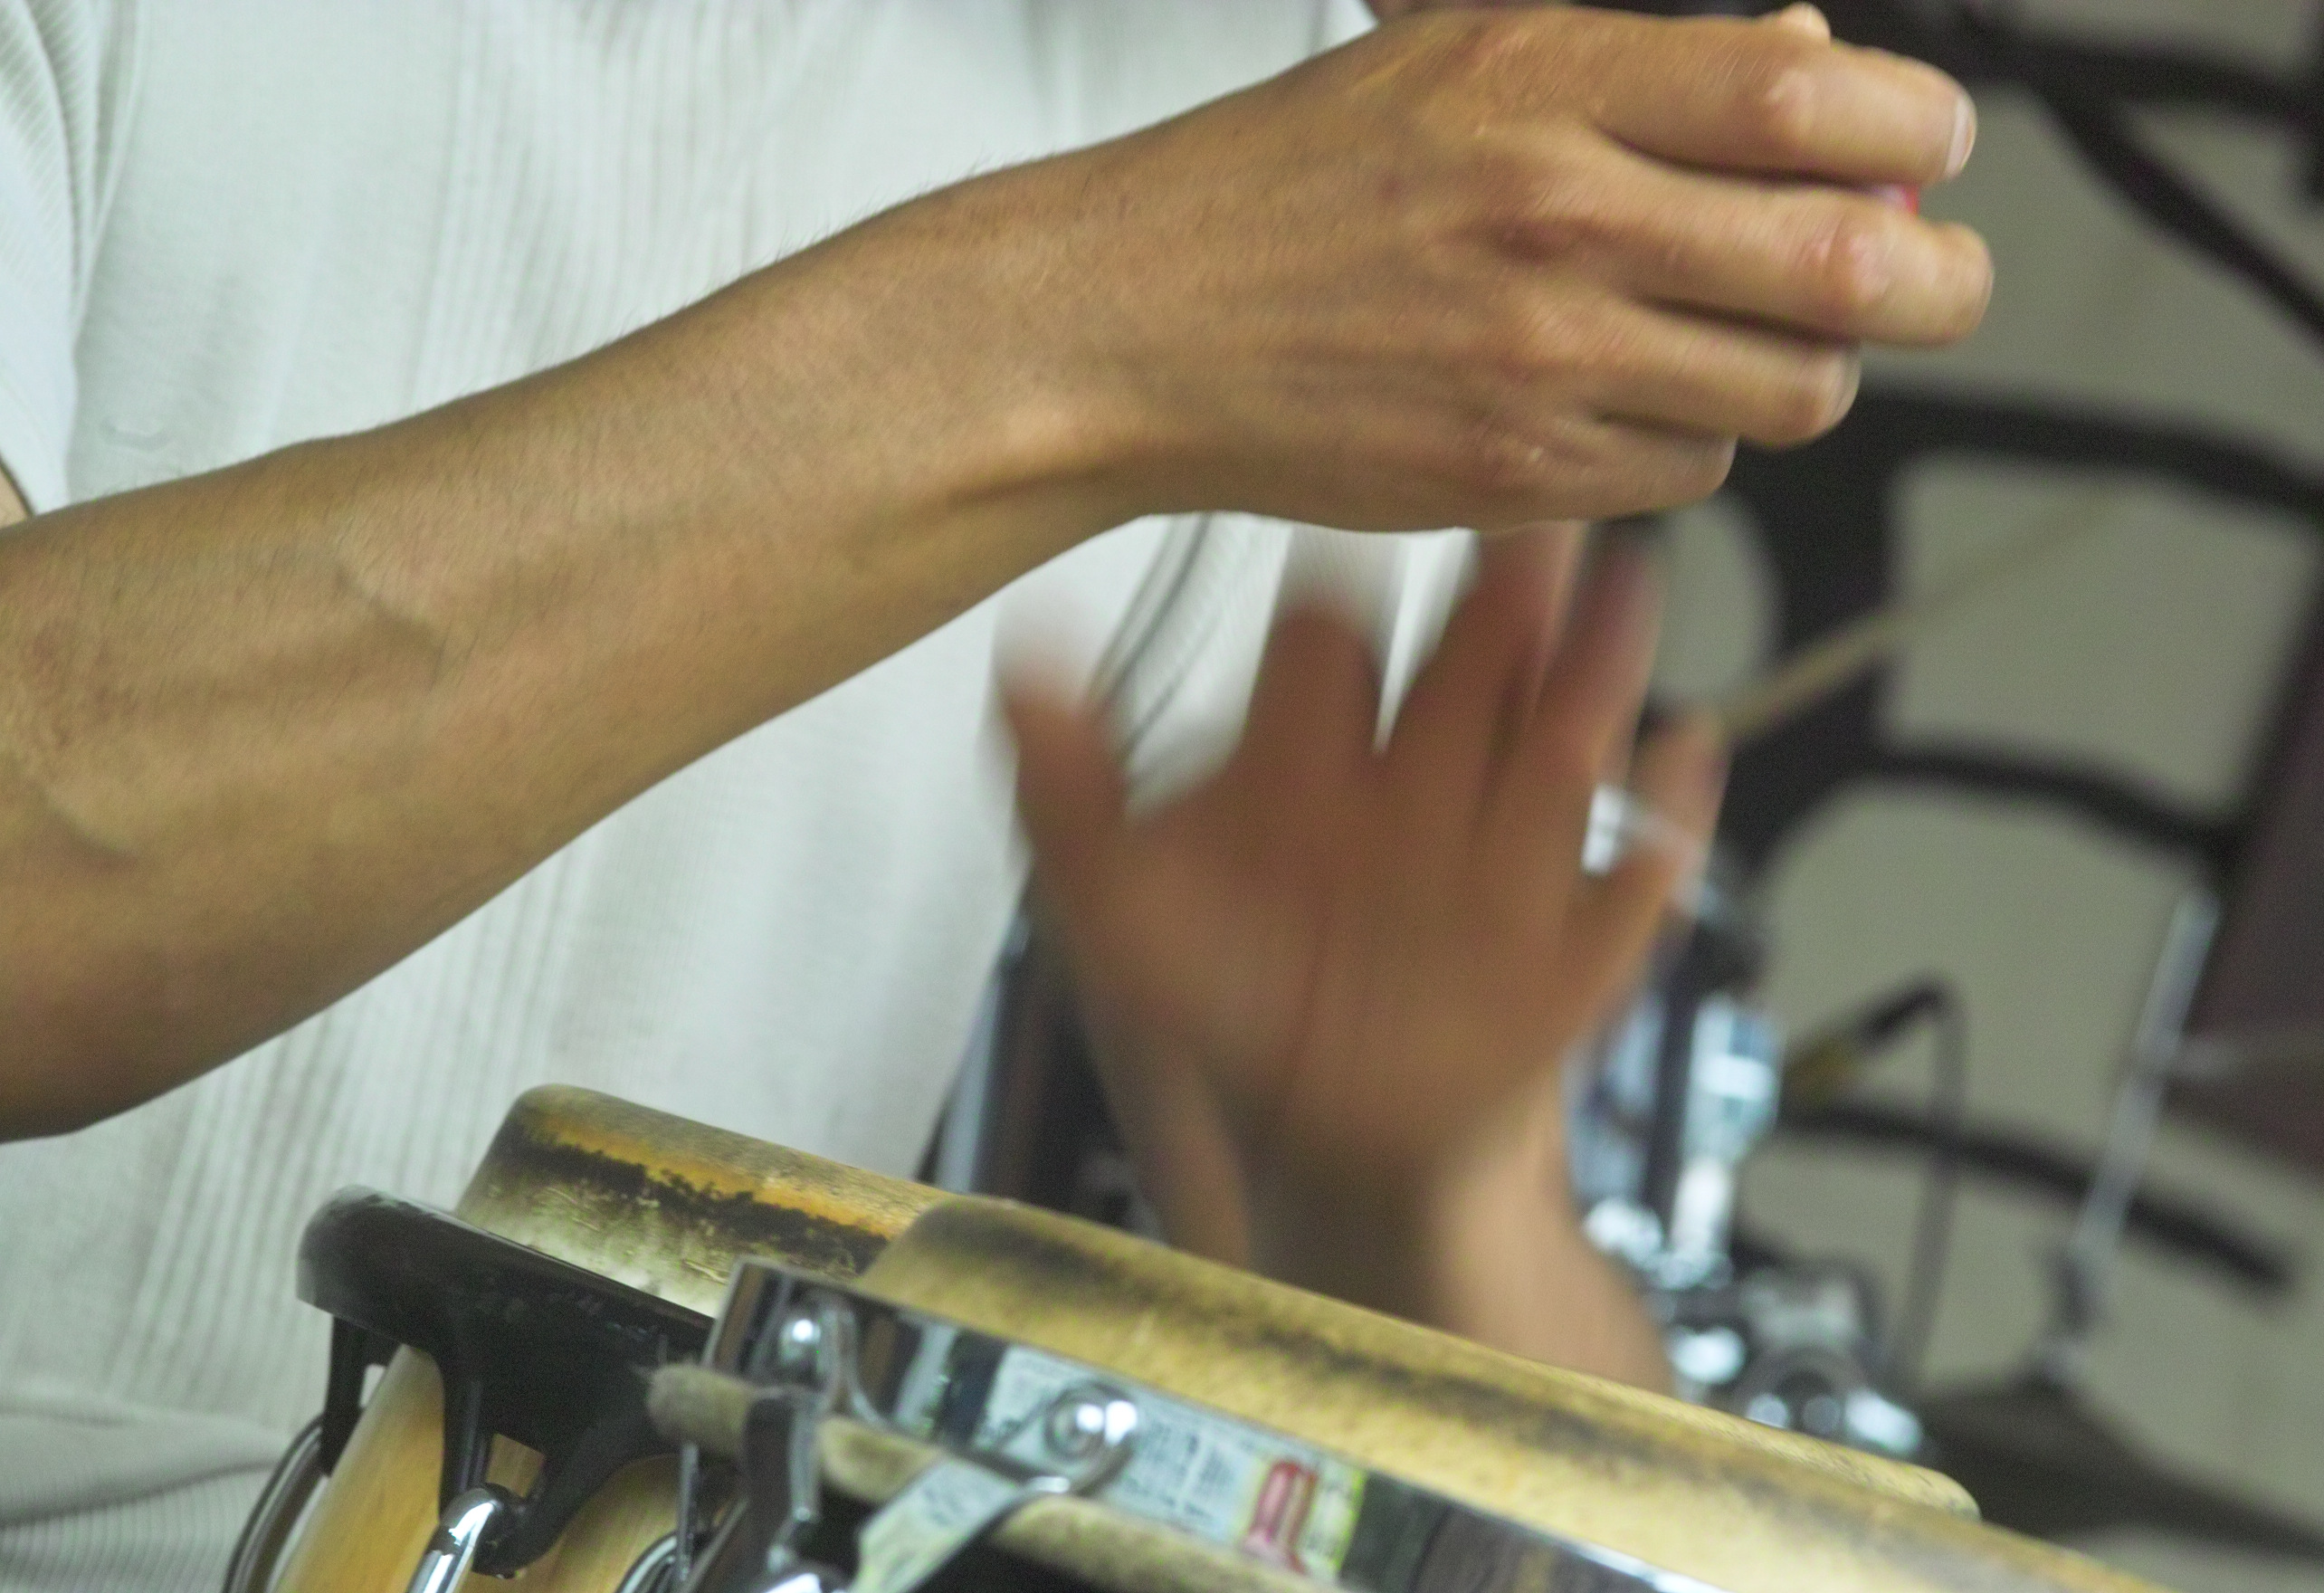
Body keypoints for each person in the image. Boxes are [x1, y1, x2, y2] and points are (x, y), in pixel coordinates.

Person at [0, 0, 1988, 1584]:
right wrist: (1105, 306)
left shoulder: (1264, 102)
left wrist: (1421, 1188)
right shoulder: (1266, 200)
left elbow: (1470, 1473)